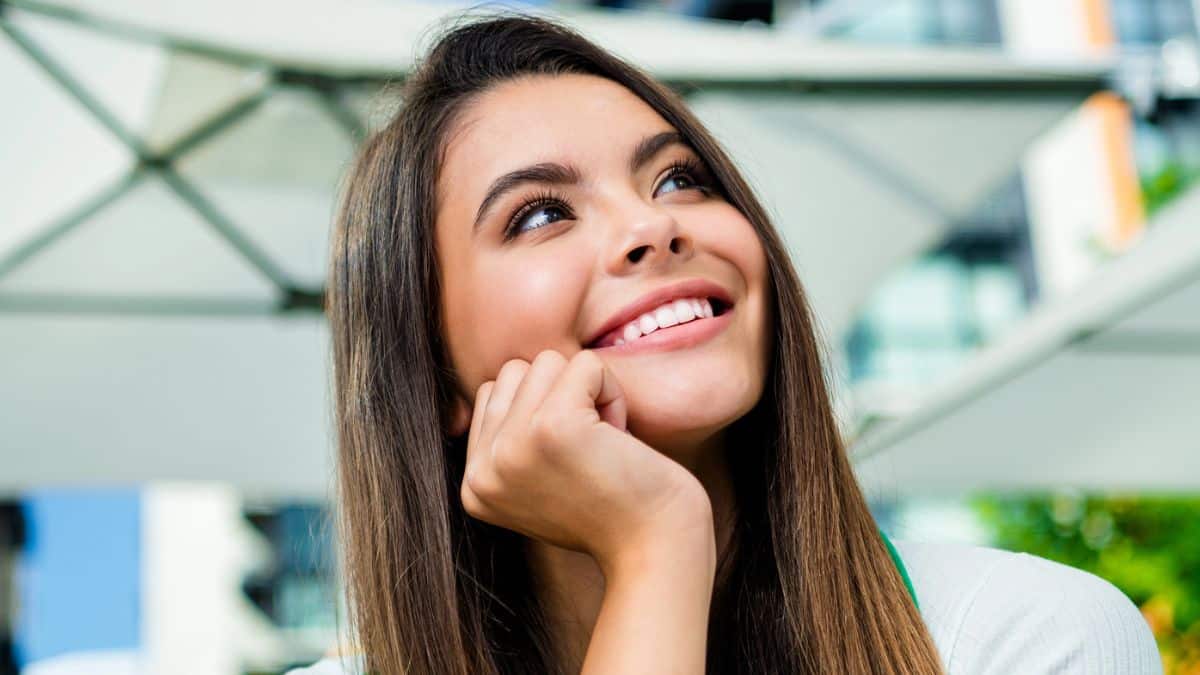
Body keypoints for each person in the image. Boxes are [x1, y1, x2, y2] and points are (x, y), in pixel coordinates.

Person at [288, 11, 1162, 675]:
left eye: (680, 178)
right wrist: (655, 549)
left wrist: (651, 546)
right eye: (541, 213)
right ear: (436, 374)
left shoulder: (1024, 637)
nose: (653, 225)